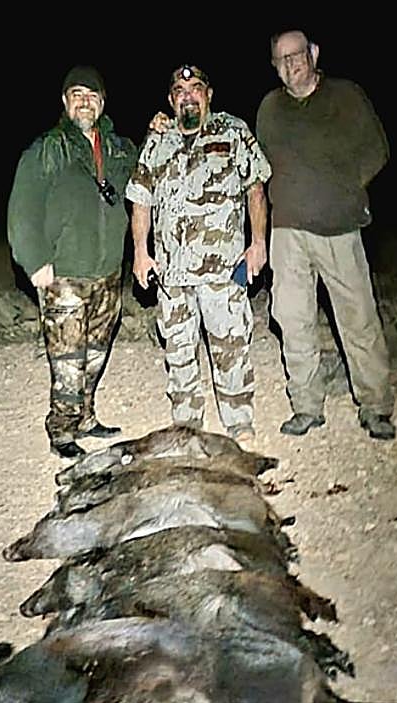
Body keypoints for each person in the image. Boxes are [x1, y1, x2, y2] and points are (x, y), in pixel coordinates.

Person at [256, 30, 397, 440]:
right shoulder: (269, 108)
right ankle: (306, 405)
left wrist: (347, 186)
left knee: (358, 318)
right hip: (287, 232)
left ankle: (375, 406)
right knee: (293, 319)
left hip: (339, 227)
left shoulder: (346, 95)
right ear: (274, 66)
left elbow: (377, 149)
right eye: (281, 59)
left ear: (313, 54)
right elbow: (259, 162)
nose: (290, 64)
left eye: (297, 55)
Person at [126, 65, 271, 444]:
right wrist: (141, 253)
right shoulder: (157, 140)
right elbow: (140, 200)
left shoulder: (233, 131)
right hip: (172, 276)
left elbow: (255, 189)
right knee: (178, 351)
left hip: (224, 270)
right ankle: (187, 425)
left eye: (195, 88)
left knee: (231, 347)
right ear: (171, 99)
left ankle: (239, 421)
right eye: (179, 90)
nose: (188, 95)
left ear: (209, 93)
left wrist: (258, 244)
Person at [7, 65, 138, 459]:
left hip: (108, 274)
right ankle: (61, 430)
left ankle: (85, 417)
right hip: (63, 274)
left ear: (102, 103)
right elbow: (22, 211)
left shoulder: (119, 150)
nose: (84, 101)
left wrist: (160, 130)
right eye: (76, 94)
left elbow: (148, 177)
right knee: (68, 360)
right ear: (64, 102)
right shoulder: (46, 149)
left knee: (95, 356)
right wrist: (34, 260)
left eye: (92, 95)